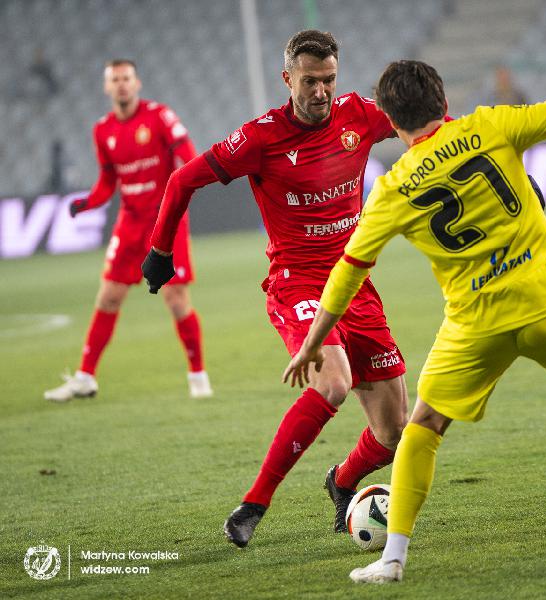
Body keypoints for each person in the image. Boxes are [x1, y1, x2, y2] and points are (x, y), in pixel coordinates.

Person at [282, 38, 546, 584]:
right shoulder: (492, 125)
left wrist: (312, 340)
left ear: (389, 120)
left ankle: (392, 560)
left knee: (423, 428)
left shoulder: (391, 190)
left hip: (475, 324)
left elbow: (347, 271)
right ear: (443, 102)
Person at [141, 30, 409, 547]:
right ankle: (253, 505)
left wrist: (491, 166)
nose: (321, 92)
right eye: (309, 82)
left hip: (355, 285)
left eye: (329, 80)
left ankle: (343, 481)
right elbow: (181, 182)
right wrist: (160, 251)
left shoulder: (360, 115)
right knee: (333, 384)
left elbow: (427, 127)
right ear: (287, 79)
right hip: (297, 283)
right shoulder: (260, 138)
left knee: (393, 433)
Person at [44, 59, 212, 402]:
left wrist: (193, 179)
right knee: (108, 297)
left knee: (176, 299)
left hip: (166, 220)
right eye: (115, 79)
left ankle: (198, 377)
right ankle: (85, 377)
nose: (121, 84)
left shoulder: (160, 116)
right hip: (131, 223)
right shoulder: (103, 130)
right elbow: (108, 182)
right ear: (107, 87)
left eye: (126, 78)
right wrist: (87, 203)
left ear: (137, 83)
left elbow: (187, 153)